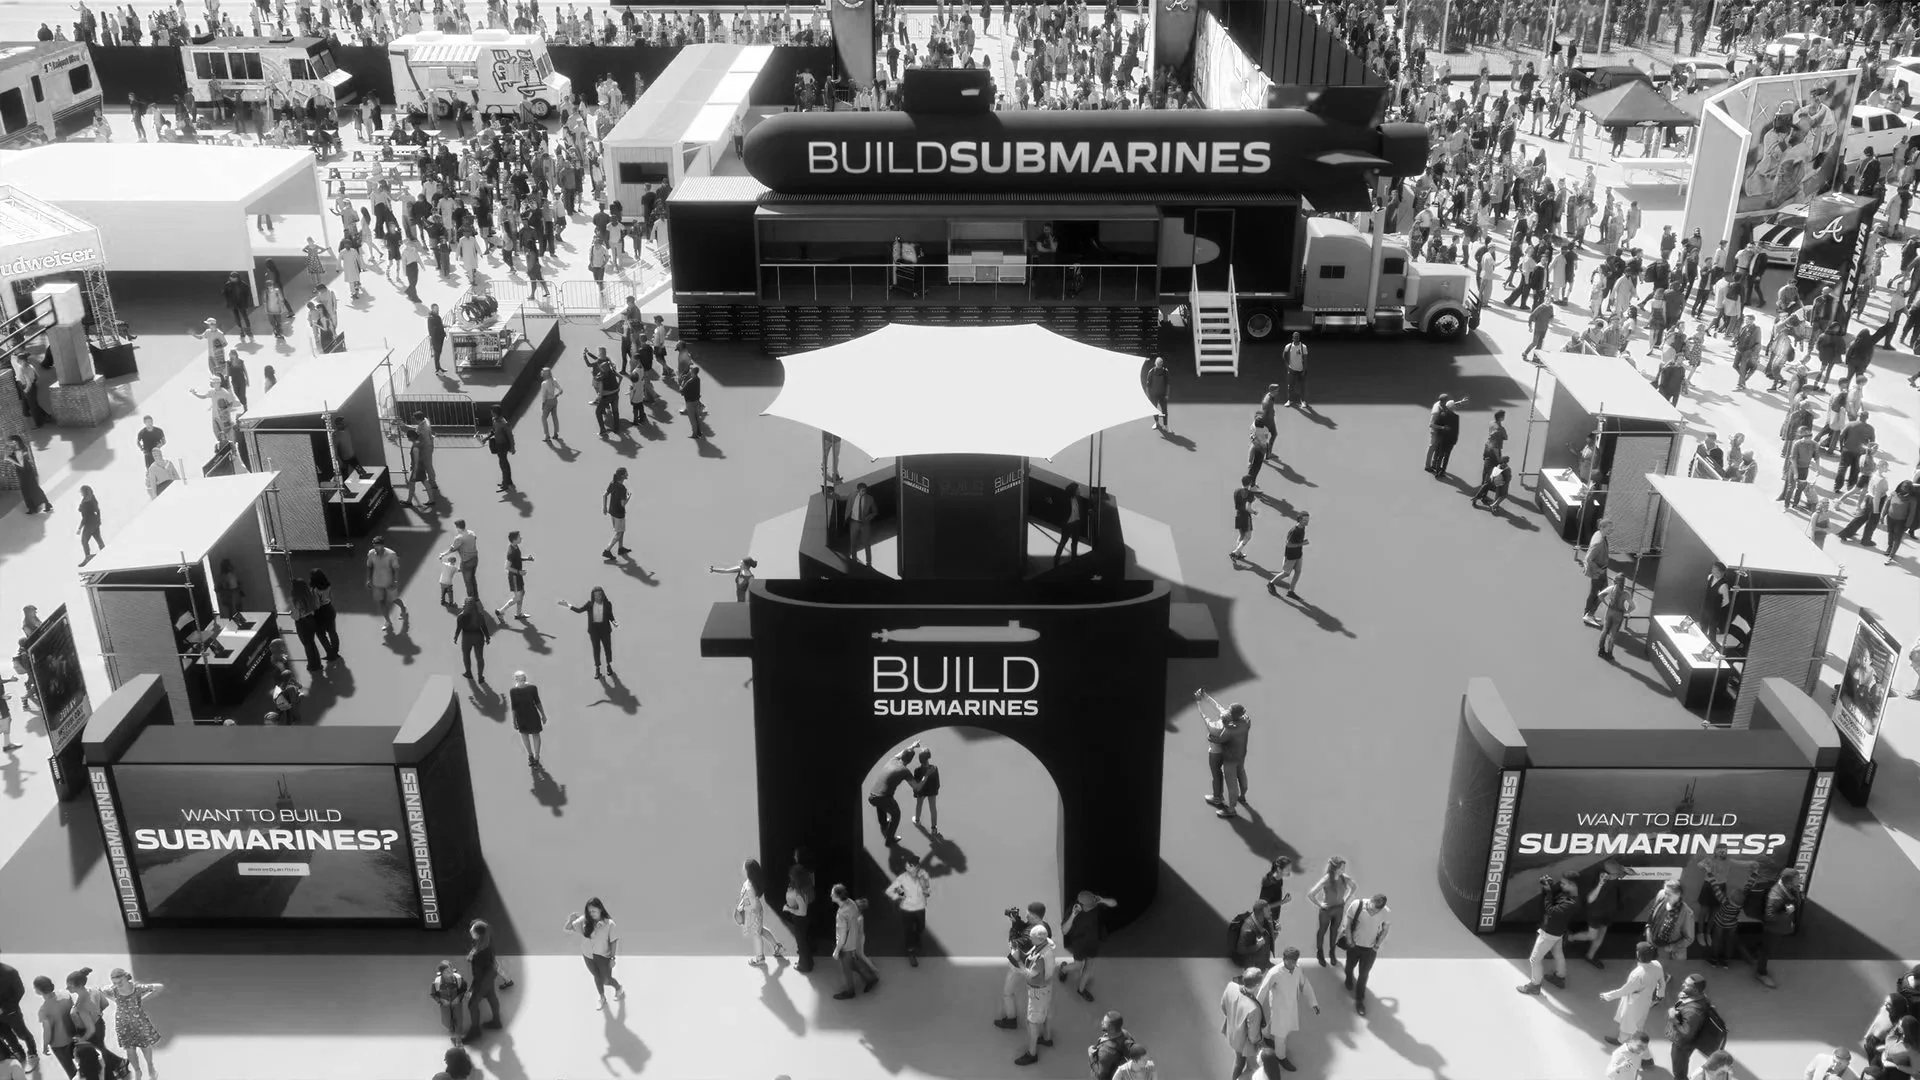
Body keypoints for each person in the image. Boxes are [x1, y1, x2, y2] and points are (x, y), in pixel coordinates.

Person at [1255, 947, 1320, 1073]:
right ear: (1284, 959)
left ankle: (1266, 1035)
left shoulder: (1298, 969)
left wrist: (1313, 1003)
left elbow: (1305, 985)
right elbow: (1263, 989)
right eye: (1289, 961)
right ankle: (1281, 1057)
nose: (1292, 964)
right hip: (1278, 1006)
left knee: (1278, 1024)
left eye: (1294, 961)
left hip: (1291, 1005)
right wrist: (1256, 1006)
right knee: (1281, 1035)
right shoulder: (1274, 972)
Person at [1600, 941, 1666, 1056]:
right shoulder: (1657, 965)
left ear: (1639, 955)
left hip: (1634, 1003)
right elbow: (1661, 982)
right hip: (1646, 1001)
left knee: (1629, 1024)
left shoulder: (1637, 974)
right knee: (1638, 1024)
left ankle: (1643, 1055)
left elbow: (1625, 990)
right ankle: (1626, 1042)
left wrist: (1607, 996)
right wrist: (1660, 995)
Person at [1195, 688, 1250, 818]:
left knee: (1224, 778)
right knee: (1241, 773)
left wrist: (1199, 702)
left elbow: (1206, 719)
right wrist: (1206, 696)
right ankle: (1242, 796)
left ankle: (1224, 803)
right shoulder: (1246, 722)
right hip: (1240, 756)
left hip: (1225, 757)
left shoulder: (1225, 730)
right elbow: (1219, 707)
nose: (1225, 711)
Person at [1517, 875, 1576, 995]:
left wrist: (1548, 892)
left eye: (1564, 884)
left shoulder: (1571, 902)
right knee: (1557, 953)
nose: (1561, 885)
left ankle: (1534, 985)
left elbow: (1551, 910)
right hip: (1558, 931)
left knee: (1534, 959)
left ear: (1572, 884)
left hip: (1550, 932)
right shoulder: (1570, 896)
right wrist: (1549, 887)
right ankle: (1560, 977)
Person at [1056, 891, 1117, 1002]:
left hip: (1093, 941)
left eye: (1092, 906)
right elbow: (1064, 931)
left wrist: (1102, 900)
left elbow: (1114, 903)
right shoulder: (1073, 910)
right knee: (1078, 966)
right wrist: (1073, 915)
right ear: (1080, 905)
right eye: (1088, 907)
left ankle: (1081, 990)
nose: (1091, 908)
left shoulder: (1094, 903)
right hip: (1079, 943)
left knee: (1089, 966)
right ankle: (1063, 969)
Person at [563, 898, 624, 1010]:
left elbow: (613, 941)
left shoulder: (609, 924)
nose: (591, 914)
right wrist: (570, 919)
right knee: (596, 976)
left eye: (594, 911)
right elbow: (567, 928)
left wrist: (612, 958)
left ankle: (618, 988)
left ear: (600, 909)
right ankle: (602, 998)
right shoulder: (584, 920)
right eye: (589, 911)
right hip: (588, 955)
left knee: (606, 979)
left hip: (603, 956)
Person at [63, 971, 123, 1080]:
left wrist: (82, 1040)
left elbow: (90, 1029)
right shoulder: (95, 990)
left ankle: (116, 1069)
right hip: (100, 1025)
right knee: (101, 1050)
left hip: (88, 1032)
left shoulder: (81, 1006)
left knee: (97, 1056)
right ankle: (120, 1064)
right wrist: (96, 1013)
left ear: (79, 985)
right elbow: (105, 1004)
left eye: (69, 985)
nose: (67, 988)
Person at [1013, 923, 1057, 1066]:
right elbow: (1030, 955)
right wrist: (1019, 951)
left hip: (1038, 992)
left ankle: (1032, 1054)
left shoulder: (1041, 957)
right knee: (1046, 1012)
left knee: (1032, 1022)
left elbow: (1030, 974)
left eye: (1032, 938)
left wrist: (1016, 961)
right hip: (1047, 988)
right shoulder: (1045, 946)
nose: (1030, 941)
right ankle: (1047, 1038)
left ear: (1039, 939)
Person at [104, 969, 161, 1080]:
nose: (117, 985)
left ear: (126, 978)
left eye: (120, 982)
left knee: (145, 1045)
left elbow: (158, 987)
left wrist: (142, 998)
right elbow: (100, 990)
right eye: (115, 982)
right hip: (123, 1023)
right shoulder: (113, 990)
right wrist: (114, 999)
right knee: (129, 1049)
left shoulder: (137, 988)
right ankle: (137, 1071)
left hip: (139, 1021)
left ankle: (150, 1066)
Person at [1340, 893, 1391, 1016]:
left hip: (1370, 950)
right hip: (1354, 946)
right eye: (1373, 908)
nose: (1375, 912)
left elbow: (1385, 930)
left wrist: (1376, 946)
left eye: (1378, 910)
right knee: (1349, 967)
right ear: (1371, 900)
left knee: (1364, 974)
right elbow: (1348, 924)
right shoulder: (1357, 905)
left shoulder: (1386, 912)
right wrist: (1350, 941)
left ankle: (1359, 1000)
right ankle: (1348, 978)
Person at [1754, 866, 1803, 989]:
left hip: (1781, 928)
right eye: (1797, 879)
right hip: (1773, 930)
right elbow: (1769, 916)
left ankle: (1756, 956)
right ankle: (1761, 973)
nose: (1799, 881)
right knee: (1767, 950)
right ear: (1789, 880)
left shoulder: (1790, 888)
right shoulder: (1776, 895)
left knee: (1768, 948)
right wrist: (1787, 913)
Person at [1666, 973, 1723, 1080]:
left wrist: (1672, 1016)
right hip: (1691, 1038)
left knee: (1679, 1072)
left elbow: (1685, 1033)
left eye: (1687, 985)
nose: (1683, 985)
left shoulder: (1693, 1012)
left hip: (1682, 1045)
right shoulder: (1701, 997)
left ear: (1695, 990)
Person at [830, 884, 879, 1000]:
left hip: (846, 946)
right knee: (853, 963)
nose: (830, 895)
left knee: (846, 969)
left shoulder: (841, 914)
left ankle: (849, 991)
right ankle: (871, 978)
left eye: (832, 893)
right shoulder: (851, 903)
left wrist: (837, 950)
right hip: (854, 941)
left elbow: (842, 936)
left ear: (837, 896)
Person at [884, 850, 932, 967]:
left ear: (916, 867)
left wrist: (924, 885)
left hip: (920, 908)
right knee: (909, 931)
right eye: (908, 867)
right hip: (907, 910)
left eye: (912, 867)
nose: (909, 869)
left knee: (921, 928)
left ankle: (916, 938)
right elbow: (889, 890)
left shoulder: (924, 875)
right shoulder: (902, 878)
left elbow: (928, 890)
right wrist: (900, 895)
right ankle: (911, 953)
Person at [557, 587, 618, 678]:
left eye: (599, 594)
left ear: (603, 595)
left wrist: (614, 622)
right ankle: (597, 669)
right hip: (594, 632)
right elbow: (579, 610)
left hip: (605, 631)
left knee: (608, 649)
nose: (598, 597)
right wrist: (568, 605)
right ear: (593, 596)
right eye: (596, 595)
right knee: (596, 650)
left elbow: (610, 615)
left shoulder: (608, 604)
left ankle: (609, 666)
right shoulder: (589, 604)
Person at [736, 858, 787, 967]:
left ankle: (760, 958)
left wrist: (745, 914)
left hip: (753, 912)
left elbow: (751, 904)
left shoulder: (750, 887)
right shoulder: (751, 882)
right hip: (757, 911)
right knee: (761, 930)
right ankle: (777, 947)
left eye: (744, 868)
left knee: (756, 935)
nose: (742, 870)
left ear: (749, 871)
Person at [1309, 856, 1356, 968]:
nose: (1344, 870)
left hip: (1339, 909)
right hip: (1327, 910)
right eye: (1342, 867)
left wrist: (1345, 899)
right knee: (1322, 931)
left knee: (1334, 931)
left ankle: (1332, 953)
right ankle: (1320, 953)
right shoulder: (1326, 879)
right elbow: (1311, 894)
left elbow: (1354, 887)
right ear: (1335, 868)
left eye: (1344, 867)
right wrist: (1320, 904)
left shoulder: (1345, 878)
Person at [1218, 967, 1265, 1079]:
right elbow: (1253, 1037)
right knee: (1253, 1069)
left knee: (1239, 1062)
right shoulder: (1254, 1009)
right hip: (1245, 1044)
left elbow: (1223, 1007)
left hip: (1232, 1035)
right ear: (1257, 986)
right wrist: (1262, 1042)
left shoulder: (1231, 987)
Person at [465, 919, 503, 1038]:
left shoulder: (479, 954)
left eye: (472, 931)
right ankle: (496, 1021)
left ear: (478, 934)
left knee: (472, 1004)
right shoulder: (487, 940)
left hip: (483, 979)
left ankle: (475, 1031)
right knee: (491, 996)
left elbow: (478, 975)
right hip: (491, 973)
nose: (470, 932)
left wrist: (471, 989)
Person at [31, 975, 75, 1079]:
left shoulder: (44, 1010)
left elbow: (47, 1031)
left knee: (70, 1068)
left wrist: (45, 1045)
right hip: (73, 1035)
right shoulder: (66, 995)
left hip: (59, 1044)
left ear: (38, 991)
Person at [366, 536, 407, 636]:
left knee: (394, 599)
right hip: (377, 582)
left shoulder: (391, 554)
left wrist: (396, 581)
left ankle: (403, 608)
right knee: (381, 601)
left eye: (378, 546)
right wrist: (368, 579)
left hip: (389, 582)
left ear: (383, 546)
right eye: (375, 546)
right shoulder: (371, 553)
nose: (376, 548)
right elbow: (369, 566)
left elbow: (396, 568)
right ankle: (388, 621)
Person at [508, 671, 547, 766]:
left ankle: (537, 757)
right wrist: (513, 721)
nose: (521, 680)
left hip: (533, 715)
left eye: (523, 679)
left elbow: (537, 702)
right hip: (521, 717)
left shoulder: (533, 688)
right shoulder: (513, 691)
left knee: (535, 735)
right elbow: (514, 707)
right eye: (519, 679)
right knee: (524, 736)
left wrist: (543, 715)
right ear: (516, 679)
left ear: (525, 679)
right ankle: (530, 755)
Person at [4, 438, 52, 515]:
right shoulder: (23, 448)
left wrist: (9, 459)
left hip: (23, 472)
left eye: (11, 442)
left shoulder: (18, 451)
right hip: (28, 470)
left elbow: (21, 465)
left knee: (26, 490)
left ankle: (32, 507)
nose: (10, 444)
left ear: (16, 442)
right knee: (34, 487)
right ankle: (45, 504)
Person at [428, 960, 471, 1045]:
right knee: (446, 1021)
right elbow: (433, 994)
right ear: (442, 973)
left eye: (451, 969)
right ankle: (451, 1029)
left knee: (458, 1021)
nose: (450, 971)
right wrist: (441, 1000)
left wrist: (458, 998)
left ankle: (458, 1039)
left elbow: (464, 989)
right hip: (445, 1005)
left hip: (457, 1003)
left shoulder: (458, 978)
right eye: (447, 971)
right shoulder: (437, 982)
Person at [1267, 512, 1309, 598]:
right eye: (1305, 520)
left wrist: (1301, 542)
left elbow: (1296, 541)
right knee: (1286, 573)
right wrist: (1302, 543)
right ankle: (1271, 584)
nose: (1307, 521)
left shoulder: (1303, 528)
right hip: (1291, 556)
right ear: (1300, 520)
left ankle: (1291, 592)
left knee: (1298, 572)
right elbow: (1288, 544)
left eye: (1307, 520)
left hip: (1298, 555)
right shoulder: (1294, 531)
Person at [453, 598, 493, 684]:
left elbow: (459, 628)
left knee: (466, 656)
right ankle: (480, 677)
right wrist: (487, 637)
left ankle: (468, 673)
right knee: (480, 658)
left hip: (467, 638)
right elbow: (484, 627)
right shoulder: (479, 615)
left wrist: (455, 637)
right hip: (478, 637)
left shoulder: (461, 616)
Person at [1426, 394, 1468, 476]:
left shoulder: (1444, 405)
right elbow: (1431, 424)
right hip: (1435, 431)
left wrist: (1461, 402)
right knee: (1432, 447)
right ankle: (1427, 466)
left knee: (1438, 450)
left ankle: (1435, 465)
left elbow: (1451, 405)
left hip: (1441, 431)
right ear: (1443, 401)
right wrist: (1443, 427)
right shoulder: (1436, 411)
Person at [1596, 571, 1634, 661]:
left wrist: (1606, 604)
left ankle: (1601, 650)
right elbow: (1633, 606)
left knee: (1605, 630)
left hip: (1609, 611)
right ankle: (1609, 654)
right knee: (1613, 634)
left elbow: (1600, 595)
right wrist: (1626, 611)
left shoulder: (1611, 588)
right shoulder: (1626, 593)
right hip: (1619, 614)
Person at [496, 532, 532, 622]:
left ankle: (519, 614)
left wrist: (527, 558)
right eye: (519, 537)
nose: (521, 538)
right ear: (514, 540)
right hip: (514, 577)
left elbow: (517, 558)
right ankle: (500, 611)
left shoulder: (515, 546)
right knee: (518, 597)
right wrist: (519, 572)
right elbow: (507, 567)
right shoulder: (511, 552)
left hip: (518, 576)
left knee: (522, 593)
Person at [602, 467, 632, 561]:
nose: (627, 474)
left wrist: (604, 507)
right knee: (619, 533)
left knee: (621, 530)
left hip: (612, 511)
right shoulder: (623, 489)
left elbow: (604, 495)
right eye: (626, 473)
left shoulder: (612, 483)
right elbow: (623, 504)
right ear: (622, 476)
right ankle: (607, 550)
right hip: (619, 513)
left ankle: (620, 548)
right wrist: (628, 497)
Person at [909, 748, 940, 835]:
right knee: (933, 808)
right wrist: (936, 790)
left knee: (919, 804)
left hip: (921, 791)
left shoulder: (917, 770)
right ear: (928, 758)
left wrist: (916, 793)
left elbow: (916, 783)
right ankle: (934, 829)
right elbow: (937, 782)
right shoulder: (934, 768)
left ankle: (917, 820)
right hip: (932, 790)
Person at [482, 412, 516, 491]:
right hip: (498, 445)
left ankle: (505, 484)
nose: (492, 414)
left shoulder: (504, 423)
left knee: (503, 465)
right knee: (503, 464)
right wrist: (486, 438)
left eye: (493, 412)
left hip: (503, 445)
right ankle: (508, 482)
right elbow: (493, 431)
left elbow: (510, 436)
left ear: (497, 413)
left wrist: (512, 447)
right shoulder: (495, 421)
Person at [848, 482, 877, 566]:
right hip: (854, 523)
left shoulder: (870, 499)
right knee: (853, 543)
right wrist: (832, 495)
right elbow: (842, 498)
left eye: (865, 490)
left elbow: (875, 512)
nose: (864, 492)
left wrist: (868, 518)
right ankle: (853, 560)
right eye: (862, 491)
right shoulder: (852, 497)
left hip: (865, 524)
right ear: (858, 491)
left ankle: (869, 563)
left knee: (866, 543)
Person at [75, 486, 103, 563]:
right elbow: (97, 510)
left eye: (81, 491)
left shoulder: (85, 502)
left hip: (89, 524)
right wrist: (98, 520)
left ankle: (88, 557)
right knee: (98, 539)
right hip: (95, 522)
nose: (80, 493)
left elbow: (85, 518)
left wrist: (79, 528)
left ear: (84, 492)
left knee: (84, 540)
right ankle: (104, 553)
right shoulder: (92, 498)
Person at [1144, 357, 1170, 433]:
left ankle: (1165, 425)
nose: (1159, 364)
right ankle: (1157, 423)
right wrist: (1148, 396)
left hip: (1163, 395)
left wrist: (1167, 394)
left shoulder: (1165, 372)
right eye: (1158, 363)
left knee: (1164, 410)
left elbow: (1168, 384)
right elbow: (1148, 385)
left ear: (1162, 363)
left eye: (1160, 363)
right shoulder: (1151, 372)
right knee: (1154, 410)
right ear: (1155, 363)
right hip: (1153, 395)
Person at [1282, 333, 1308, 406]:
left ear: (1299, 338)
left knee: (1302, 386)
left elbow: (1305, 360)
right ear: (1292, 338)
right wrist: (1287, 366)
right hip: (1292, 370)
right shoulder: (1288, 346)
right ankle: (1289, 400)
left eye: (1297, 337)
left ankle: (1303, 401)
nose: (1296, 338)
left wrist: (1304, 370)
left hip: (1301, 370)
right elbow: (1284, 355)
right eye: (1295, 337)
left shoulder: (1303, 347)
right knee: (1290, 386)